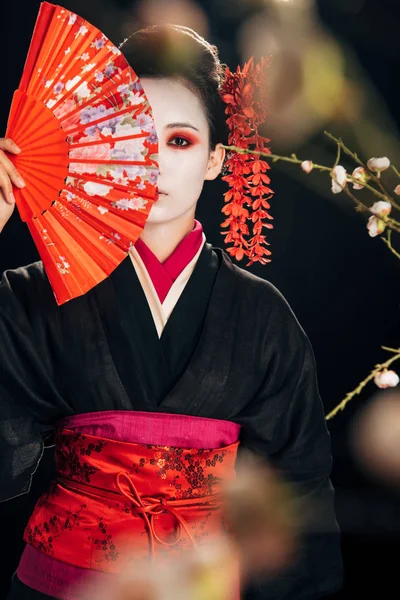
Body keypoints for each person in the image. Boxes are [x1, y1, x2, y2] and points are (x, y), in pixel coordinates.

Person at [0, 23, 343, 600]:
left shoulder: (262, 317)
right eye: (131, 138)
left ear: (215, 159)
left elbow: (298, 498)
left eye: (178, 141)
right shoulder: (35, 293)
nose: (152, 162)